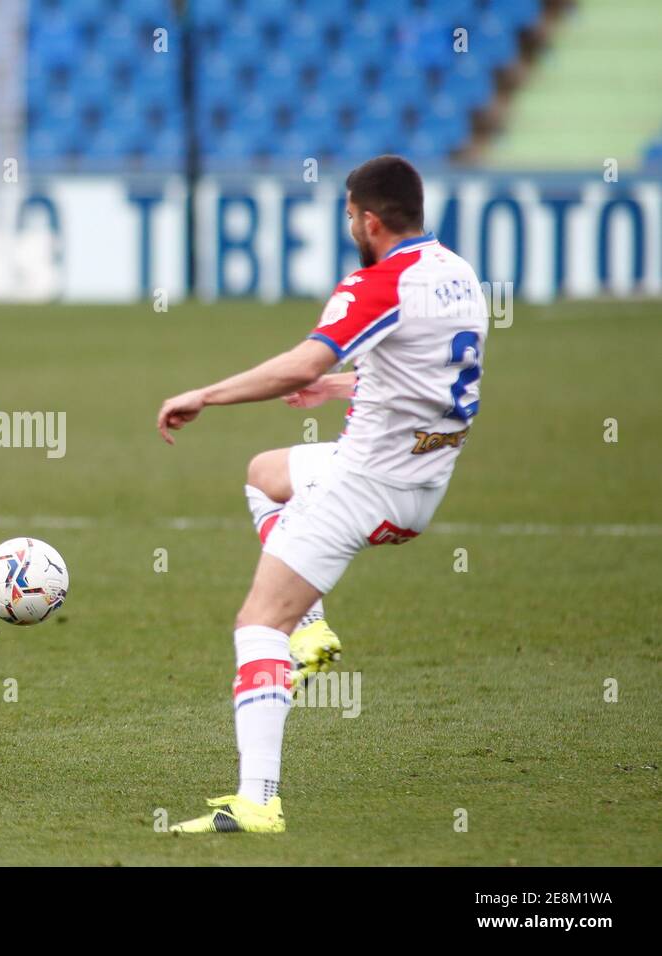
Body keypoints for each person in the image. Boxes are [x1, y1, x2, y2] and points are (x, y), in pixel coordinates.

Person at [155, 156, 487, 833]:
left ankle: (259, 800)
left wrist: (205, 394)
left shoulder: (377, 282)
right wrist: (339, 389)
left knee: (257, 624)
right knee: (265, 474)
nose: (347, 225)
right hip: (423, 479)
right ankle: (313, 633)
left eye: (347, 214)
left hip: (363, 485)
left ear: (368, 220)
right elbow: (432, 381)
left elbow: (306, 359)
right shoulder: (458, 275)